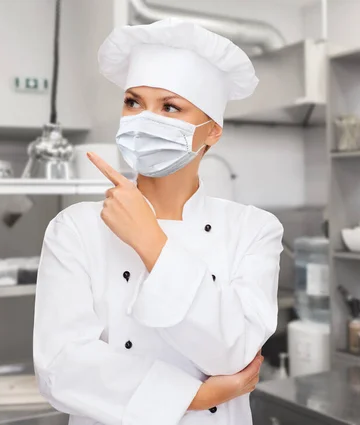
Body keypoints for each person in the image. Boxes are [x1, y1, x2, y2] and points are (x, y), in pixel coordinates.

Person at [32, 18, 284, 425]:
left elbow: (234, 352)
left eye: (170, 107)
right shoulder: (75, 227)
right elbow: (60, 368)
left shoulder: (253, 230)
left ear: (212, 132)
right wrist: (194, 396)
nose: (144, 120)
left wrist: (152, 242)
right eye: (133, 102)